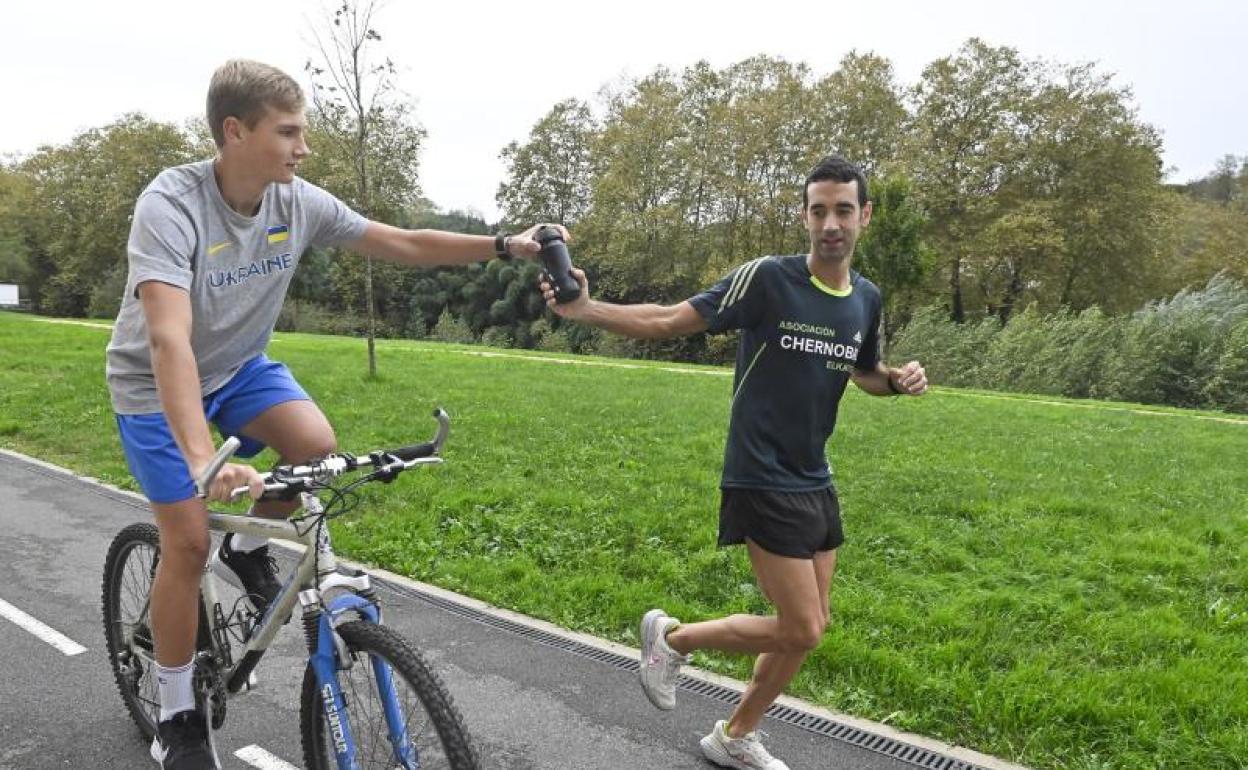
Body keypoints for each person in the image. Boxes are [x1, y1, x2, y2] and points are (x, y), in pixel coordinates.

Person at [105, 59, 558, 770]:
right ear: (235, 130)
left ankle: (248, 548)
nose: (303, 146)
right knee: (185, 544)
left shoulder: (298, 201)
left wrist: (505, 245)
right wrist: (201, 457)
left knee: (314, 444)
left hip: (240, 370)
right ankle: (177, 713)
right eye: (288, 131)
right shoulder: (172, 203)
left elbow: (401, 242)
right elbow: (167, 338)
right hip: (155, 387)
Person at [541, 154, 927, 770]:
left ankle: (735, 736)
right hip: (759, 471)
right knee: (801, 628)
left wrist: (898, 381)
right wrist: (587, 309)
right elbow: (670, 320)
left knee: (807, 627)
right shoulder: (768, 280)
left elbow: (865, 375)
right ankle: (672, 640)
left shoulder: (866, 299)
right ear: (804, 216)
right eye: (819, 210)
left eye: (844, 210)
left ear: (865, 217)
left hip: (814, 475)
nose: (831, 223)